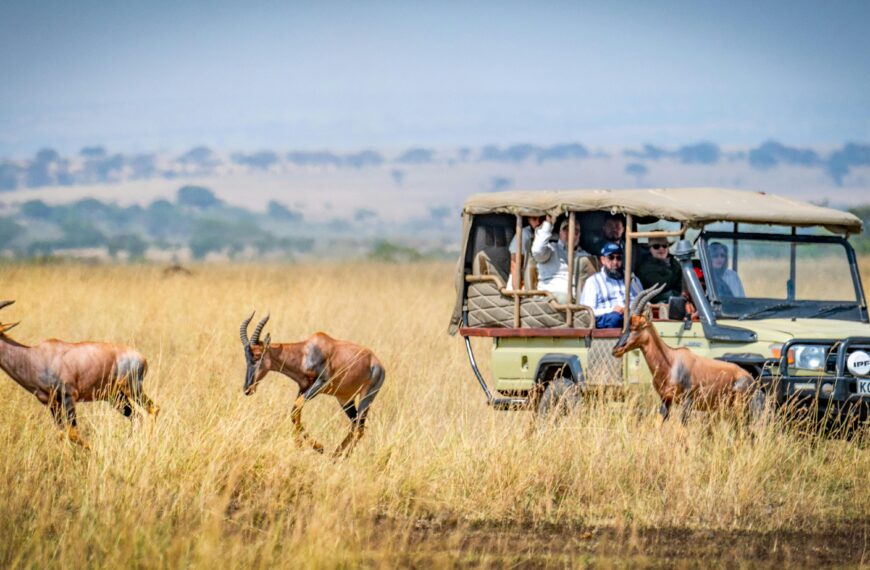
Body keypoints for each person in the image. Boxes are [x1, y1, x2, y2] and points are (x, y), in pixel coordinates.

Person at [530, 215, 593, 303]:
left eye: (576, 231)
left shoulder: (585, 256)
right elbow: (537, 251)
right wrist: (548, 223)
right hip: (549, 297)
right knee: (564, 298)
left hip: (576, 300)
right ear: (560, 234)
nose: (571, 234)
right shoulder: (550, 249)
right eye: (566, 230)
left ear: (579, 235)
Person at [580, 242, 643, 329]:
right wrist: (612, 309)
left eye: (618, 258)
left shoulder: (632, 278)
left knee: (645, 319)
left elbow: (642, 299)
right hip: (609, 317)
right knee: (616, 318)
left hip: (632, 315)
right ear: (603, 260)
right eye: (611, 258)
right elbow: (587, 311)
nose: (615, 262)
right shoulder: (593, 281)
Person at [635, 236, 682, 303]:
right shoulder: (645, 267)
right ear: (649, 249)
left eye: (664, 246)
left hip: (677, 298)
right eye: (656, 246)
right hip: (658, 303)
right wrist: (677, 274)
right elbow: (659, 285)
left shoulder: (674, 262)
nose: (661, 249)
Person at [507, 215, 544, 289]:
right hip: (521, 285)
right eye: (534, 218)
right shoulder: (524, 234)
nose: (538, 222)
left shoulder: (551, 236)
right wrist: (517, 293)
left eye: (541, 218)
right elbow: (515, 266)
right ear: (529, 220)